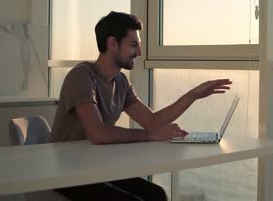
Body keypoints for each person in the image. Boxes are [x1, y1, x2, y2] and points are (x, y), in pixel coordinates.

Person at [50, 11, 232, 201]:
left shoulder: (119, 81)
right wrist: (151, 135)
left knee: (156, 194)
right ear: (112, 44)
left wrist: (193, 95)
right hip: (67, 172)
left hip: (96, 166)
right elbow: (98, 133)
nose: (139, 52)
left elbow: (151, 121)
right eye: (134, 44)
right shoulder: (81, 76)